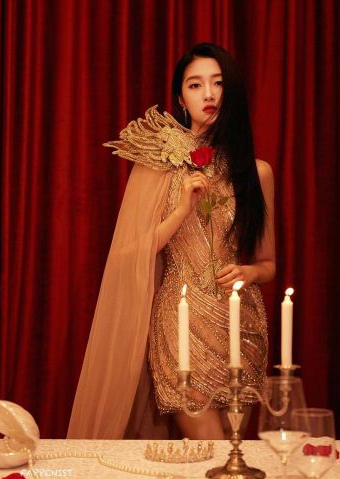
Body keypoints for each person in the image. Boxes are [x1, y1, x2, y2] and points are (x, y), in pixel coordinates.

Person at [67, 42, 275, 440]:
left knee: (235, 454)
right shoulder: (159, 165)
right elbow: (128, 255)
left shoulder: (257, 172)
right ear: (181, 98)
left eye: (217, 83)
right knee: (214, 449)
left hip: (241, 322)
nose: (208, 94)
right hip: (181, 322)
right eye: (195, 85)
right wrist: (181, 210)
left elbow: (268, 264)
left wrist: (250, 272)